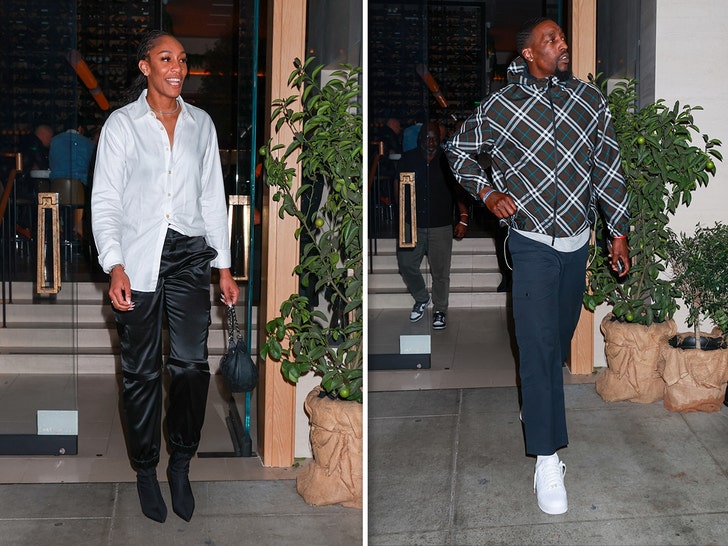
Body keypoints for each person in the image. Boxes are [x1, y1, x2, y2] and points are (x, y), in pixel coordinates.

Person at [446, 17, 630, 515]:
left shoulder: (589, 101)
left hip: (577, 243)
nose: (562, 45)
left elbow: (608, 165)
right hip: (528, 243)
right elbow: (456, 150)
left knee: (556, 338)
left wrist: (617, 231)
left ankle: (537, 398)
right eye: (551, 41)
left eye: (562, 38)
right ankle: (547, 458)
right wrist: (486, 192)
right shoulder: (500, 105)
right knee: (538, 343)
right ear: (529, 53)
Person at [91, 30, 239, 524]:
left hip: (190, 254)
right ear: (145, 67)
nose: (177, 67)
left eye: (183, 59)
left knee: (192, 367)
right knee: (140, 373)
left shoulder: (201, 125)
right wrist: (115, 264)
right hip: (138, 257)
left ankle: (180, 462)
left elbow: (212, 198)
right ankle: (144, 470)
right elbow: (106, 200)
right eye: (166, 58)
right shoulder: (122, 125)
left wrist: (223, 266)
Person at [398, 121, 469, 330]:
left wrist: (463, 216)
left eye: (434, 139)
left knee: (440, 272)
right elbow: (399, 187)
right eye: (426, 138)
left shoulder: (447, 160)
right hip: (412, 223)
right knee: (406, 264)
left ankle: (440, 309)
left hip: (440, 225)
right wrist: (401, 218)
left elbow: (458, 189)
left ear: (439, 140)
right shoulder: (408, 158)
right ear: (419, 139)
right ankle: (421, 298)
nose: (430, 142)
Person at [49, 123, 96, 239]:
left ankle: (58, 224)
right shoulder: (88, 143)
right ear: (80, 128)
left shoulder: (54, 141)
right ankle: (79, 226)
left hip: (57, 189)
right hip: (79, 188)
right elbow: (92, 167)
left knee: (63, 205)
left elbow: (51, 164)